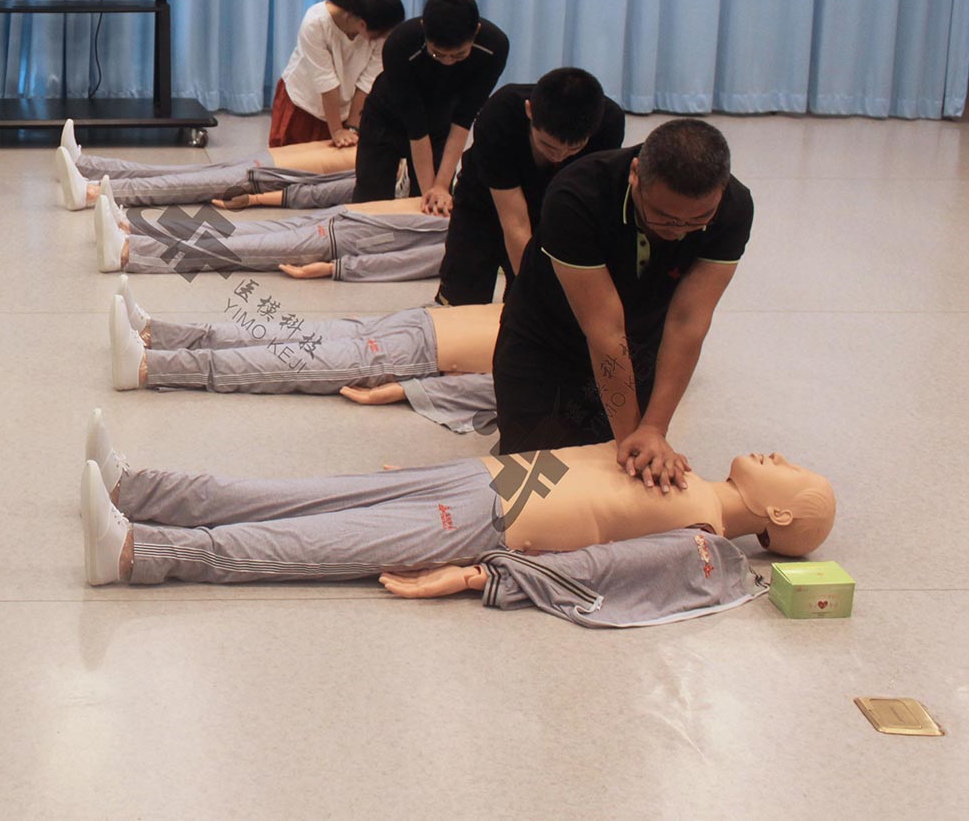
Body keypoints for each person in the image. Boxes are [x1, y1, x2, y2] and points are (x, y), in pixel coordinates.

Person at [77, 412, 833, 630]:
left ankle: (136, 550)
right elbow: (577, 462)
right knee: (291, 495)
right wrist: (448, 471)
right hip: (486, 480)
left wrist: (477, 576)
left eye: (793, 470)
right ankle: (140, 488)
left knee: (300, 541)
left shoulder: (704, 542)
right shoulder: (678, 464)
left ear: (779, 513)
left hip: (489, 528)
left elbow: (602, 572)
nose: (780, 454)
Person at [492, 119, 754, 487]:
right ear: (635, 175)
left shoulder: (734, 206)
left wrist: (652, 429)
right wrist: (634, 441)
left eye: (697, 219)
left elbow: (687, 322)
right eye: (663, 216)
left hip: (637, 345)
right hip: (545, 340)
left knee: (609, 474)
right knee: (530, 482)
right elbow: (605, 330)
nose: (678, 230)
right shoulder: (577, 194)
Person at [104, 281, 497, 434]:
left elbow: (505, 386)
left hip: (425, 356)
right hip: (420, 321)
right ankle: (155, 335)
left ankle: (147, 367)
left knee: (282, 361)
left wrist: (409, 390)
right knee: (275, 333)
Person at [438, 68, 627, 306]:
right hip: (484, 202)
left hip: (553, 205)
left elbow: (586, 208)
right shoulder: (500, 113)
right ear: (529, 111)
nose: (559, 156)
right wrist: (535, 293)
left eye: (574, 149)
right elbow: (515, 222)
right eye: (548, 145)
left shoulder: (609, 123)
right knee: (462, 297)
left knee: (524, 305)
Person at [91, 185, 447, 282]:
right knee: (231, 231)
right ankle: (132, 228)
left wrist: (338, 268)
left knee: (230, 248)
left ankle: (127, 254)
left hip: (340, 242)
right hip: (339, 218)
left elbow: (410, 262)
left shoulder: (464, 238)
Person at [351, 0, 509, 208]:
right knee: (371, 200)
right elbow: (415, 123)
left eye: (459, 55)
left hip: (441, 121)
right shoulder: (400, 44)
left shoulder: (495, 47)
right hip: (386, 119)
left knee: (437, 202)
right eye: (437, 54)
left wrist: (440, 188)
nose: (448, 62)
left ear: (476, 31)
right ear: (424, 28)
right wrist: (429, 193)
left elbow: (465, 117)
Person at [56, 128, 356, 212]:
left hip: (273, 177)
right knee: (178, 174)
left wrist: (255, 200)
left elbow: (324, 192)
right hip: (272, 161)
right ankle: (86, 166)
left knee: (183, 184)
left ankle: (91, 193)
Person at [269, 0, 406, 149]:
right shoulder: (315, 23)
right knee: (295, 161)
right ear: (362, 25)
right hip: (304, 104)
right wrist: (337, 131)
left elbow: (367, 82)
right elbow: (325, 81)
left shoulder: (380, 30)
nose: (384, 40)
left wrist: (352, 127)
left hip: (347, 106)